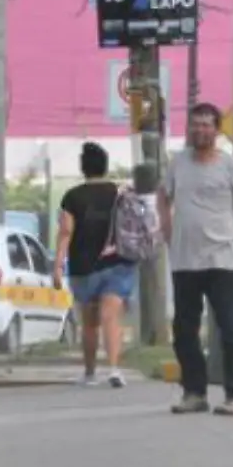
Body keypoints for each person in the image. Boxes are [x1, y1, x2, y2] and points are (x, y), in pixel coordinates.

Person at [160, 102, 233, 416]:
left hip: (223, 260)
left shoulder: (231, 166)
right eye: (196, 124)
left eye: (207, 124)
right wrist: (167, 227)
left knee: (231, 330)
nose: (200, 129)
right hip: (185, 260)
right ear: (189, 128)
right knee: (184, 331)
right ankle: (194, 392)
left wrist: (231, 233)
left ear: (217, 130)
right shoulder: (178, 164)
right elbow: (164, 195)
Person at [52, 142, 133, 388]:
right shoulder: (120, 194)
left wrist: (57, 265)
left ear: (83, 168)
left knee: (89, 323)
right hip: (118, 262)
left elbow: (66, 232)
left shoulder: (73, 197)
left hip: (83, 267)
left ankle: (89, 373)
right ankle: (115, 369)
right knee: (111, 317)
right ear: (105, 167)